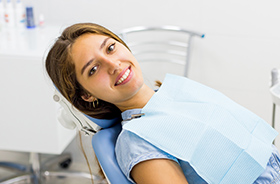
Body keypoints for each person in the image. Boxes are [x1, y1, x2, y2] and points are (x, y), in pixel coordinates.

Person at [45, 23, 280, 184]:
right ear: (87, 95)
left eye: (111, 48)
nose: (114, 65)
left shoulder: (172, 92)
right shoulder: (137, 141)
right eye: (93, 69)